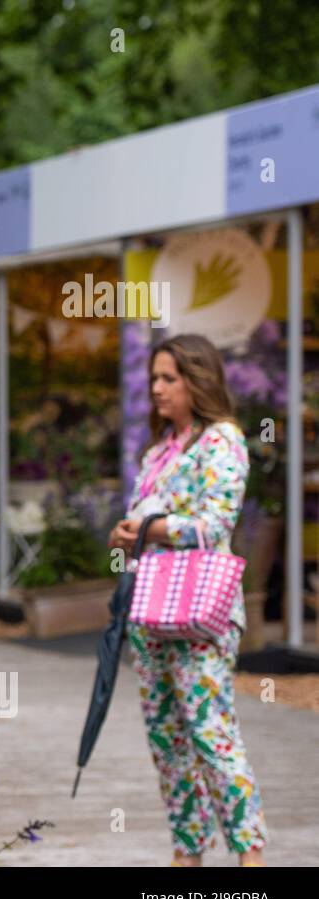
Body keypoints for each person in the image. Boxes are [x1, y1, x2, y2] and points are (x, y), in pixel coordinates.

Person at [107, 333, 266, 867]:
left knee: (210, 731)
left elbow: (214, 524)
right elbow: (145, 525)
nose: (156, 388)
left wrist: (148, 528)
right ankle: (188, 854)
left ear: (197, 380)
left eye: (168, 378)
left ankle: (249, 856)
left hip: (201, 614)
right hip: (150, 612)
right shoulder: (155, 453)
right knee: (166, 739)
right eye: (153, 378)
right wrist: (127, 535)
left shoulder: (223, 440)